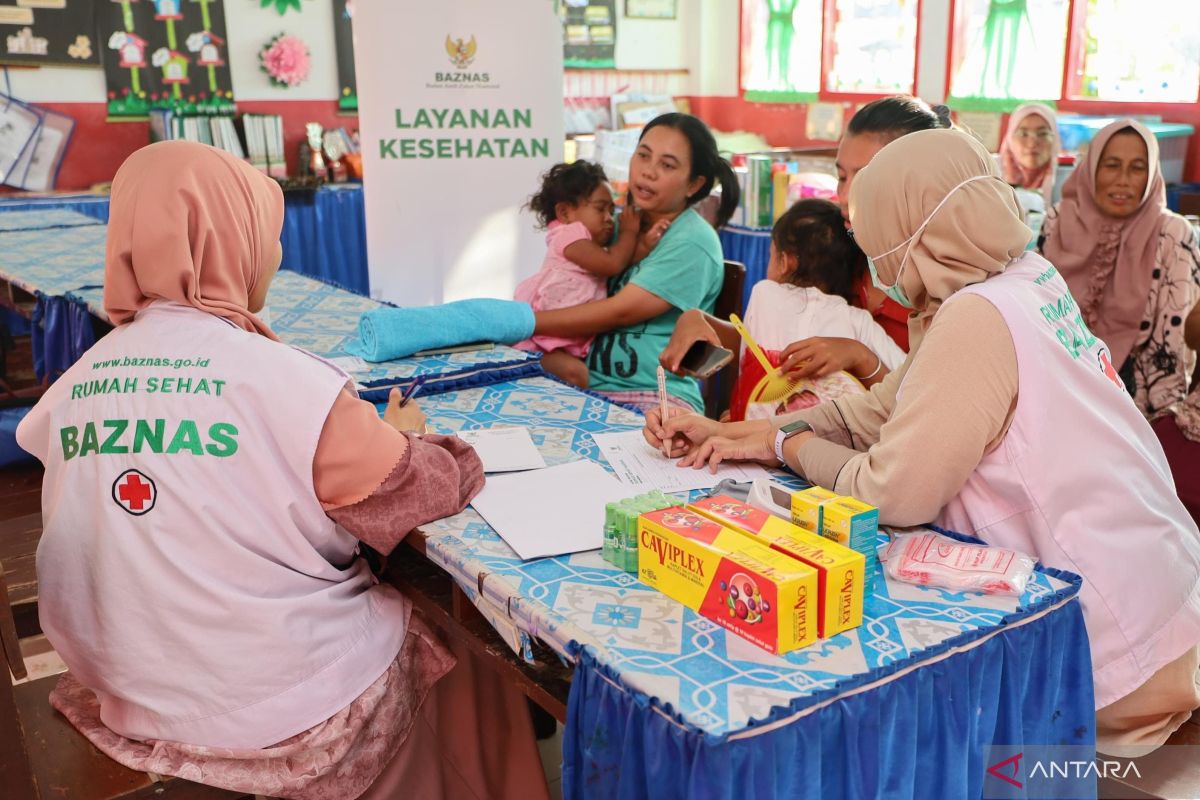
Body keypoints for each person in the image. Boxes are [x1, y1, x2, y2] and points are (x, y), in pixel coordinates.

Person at [15, 141, 550, 800]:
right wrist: (415, 440)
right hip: (273, 708)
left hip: (123, 683)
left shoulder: (78, 380)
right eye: (266, 236)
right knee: (466, 643)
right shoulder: (287, 383)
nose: (275, 254)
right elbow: (421, 488)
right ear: (227, 243)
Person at [644, 129, 1200, 754]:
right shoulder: (1022, 275)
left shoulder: (976, 317)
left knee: (878, 724)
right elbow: (879, 410)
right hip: (1164, 594)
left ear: (912, 229)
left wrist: (782, 450)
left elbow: (896, 493)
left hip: (1111, 653)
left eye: (875, 233)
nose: (872, 257)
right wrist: (734, 434)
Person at [530, 112, 739, 413]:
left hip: (652, 393)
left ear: (694, 184)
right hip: (581, 382)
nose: (648, 172)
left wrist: (522, 323)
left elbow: (620, 311)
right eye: (643, 156)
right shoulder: (611, 226)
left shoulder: (692, 241)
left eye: (666, 165)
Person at [659, 198, 904, 421]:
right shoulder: (859, 321)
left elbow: (749, 353)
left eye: (770, 255)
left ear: (784, 262)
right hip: (829, 451)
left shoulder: (765, 293)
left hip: (754, 441)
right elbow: (906, 381)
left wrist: (739, 414)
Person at [1040, 119, 1200, 419]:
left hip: (1134, 399)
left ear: (1152, 174)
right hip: (1052, 381)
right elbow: (1035, 315)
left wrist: (1157, 425)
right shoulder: (1058, 221)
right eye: (1112, 165)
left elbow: (1172, 347)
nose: (1123, 180)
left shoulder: (1172, 234)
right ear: (1092, 169)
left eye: (1138, 168)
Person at [513, 160, 666, 389]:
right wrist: (629, 231)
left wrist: (644, 244)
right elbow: (613, 263)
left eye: (611, 210)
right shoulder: (569, 236)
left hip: (559, 342)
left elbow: (621, 260)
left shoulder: (589, 245)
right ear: (565, 212)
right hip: (538, 345)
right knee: (576, 374)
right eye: (600, 208)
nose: (609, 218)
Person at [835, 96, 954, 351]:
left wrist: (866, 362)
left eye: (864, 180)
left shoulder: (952, 291)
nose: (843, 197)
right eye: (841, 177)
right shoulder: (831, 254)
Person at [998, 103, 1060, 205]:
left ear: (1055, 139)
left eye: (1043, 134)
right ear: (1010, 138)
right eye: (1023, 134)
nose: (1031, 144)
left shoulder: (1068, 179)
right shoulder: (989, 173)